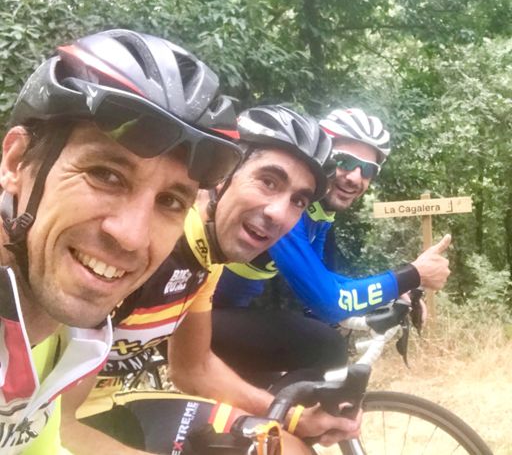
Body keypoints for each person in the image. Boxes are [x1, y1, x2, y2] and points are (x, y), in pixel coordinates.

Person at [60, 106, 362, 455]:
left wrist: (295, 418)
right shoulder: (149, 243)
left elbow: (194, 368)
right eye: (268, 182)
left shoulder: (207, 256)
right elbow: (54, 426)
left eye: (298, 200)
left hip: (110, 410)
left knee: (290, 450)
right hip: (52, 422)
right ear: (222, 175)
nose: (279, 213)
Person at [0, 28, 243, 455]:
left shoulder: (63, 325)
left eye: (170, 201)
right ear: (16, 162)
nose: (132, 237)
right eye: (105, 175)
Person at [211, 107, 451, 383]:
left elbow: (323, 280)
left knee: (298, 366)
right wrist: (411, 275)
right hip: (196, 317)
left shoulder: (319, 214)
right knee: (325, 346)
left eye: (368, 169)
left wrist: (395, 290)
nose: (355, 177)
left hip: (222, 313)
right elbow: (329, 302)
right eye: (345, 161)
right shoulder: (286, 212)